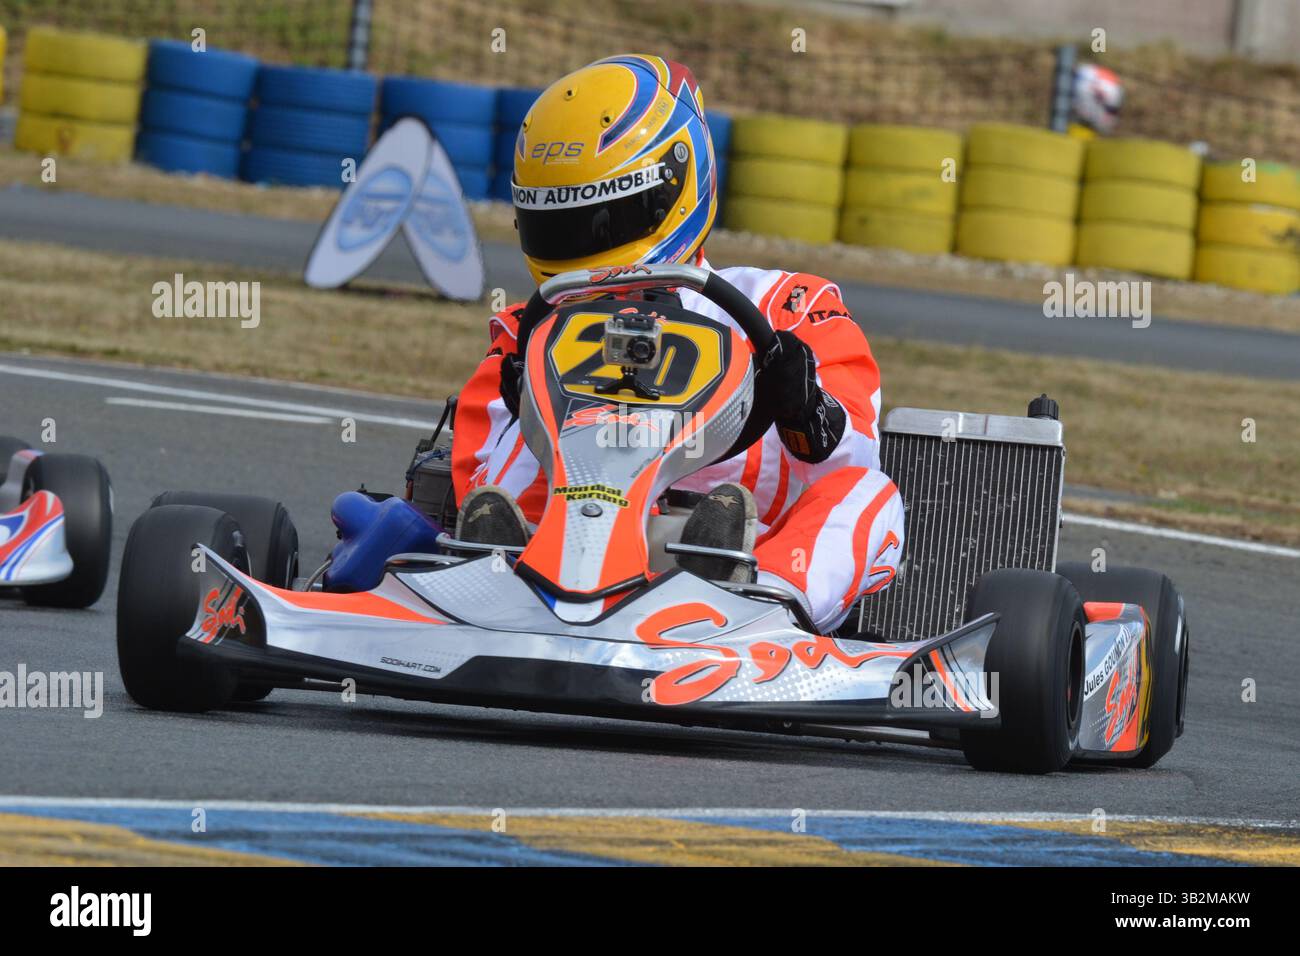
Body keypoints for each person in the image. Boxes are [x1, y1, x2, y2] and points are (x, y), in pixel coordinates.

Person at [451, 54, 903, 633]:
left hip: (755, 550)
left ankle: (761, 608)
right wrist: (528, 409)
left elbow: (854, 455)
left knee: (870, 490)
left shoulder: (785, 305)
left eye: (606, 221)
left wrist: (801, 404)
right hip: (563, 541)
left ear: (671, 192)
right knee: (507, 453)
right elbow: (473, 475)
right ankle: (494, 572)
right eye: (561, 229)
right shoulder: (530, 329)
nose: (587, 249)